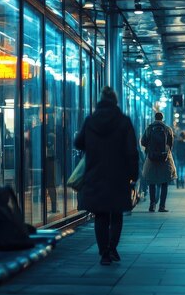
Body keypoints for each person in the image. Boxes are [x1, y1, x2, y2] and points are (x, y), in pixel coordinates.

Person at [74, 86, 139, 266]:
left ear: (100, 100)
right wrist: (134, 174)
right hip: (118, 175)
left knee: (101, 215)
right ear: (116, 101)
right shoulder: (124, 122)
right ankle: (112, 248)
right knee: (116, 214)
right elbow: (131, 151)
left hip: (96, 173)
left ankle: (103, 253)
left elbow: (78, 143)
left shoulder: (90, 121)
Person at [141, 112, 176, 212]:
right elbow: (171, 144)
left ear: (154, 118)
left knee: (152, 182)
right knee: (164, 182)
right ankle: (162, 206)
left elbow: (143, 142)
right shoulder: (167, 129)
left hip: (151, 159)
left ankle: (152, 205)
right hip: (164, 159)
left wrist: (150, 148)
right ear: (162, 118)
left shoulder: (149, 128)